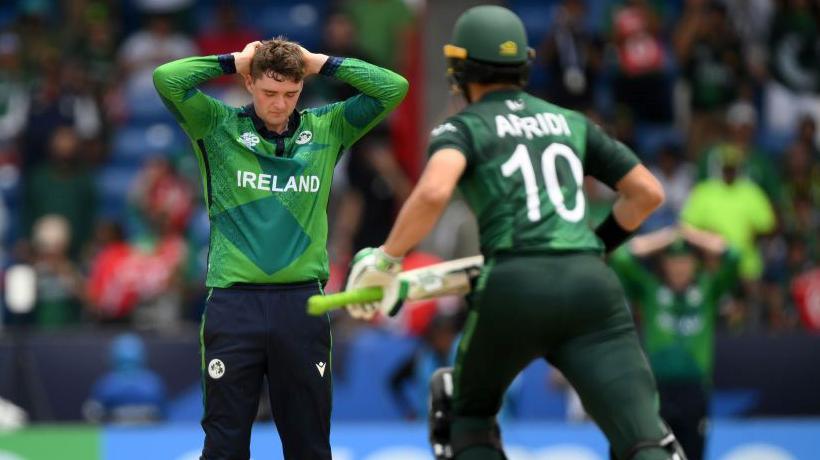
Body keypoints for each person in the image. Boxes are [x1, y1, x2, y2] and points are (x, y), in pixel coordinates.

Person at [343, 6, 683, 460]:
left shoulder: (462, 126)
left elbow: (432, 193)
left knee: (465, 415)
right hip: (590, 285)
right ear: (522, 63)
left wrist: (386, 258)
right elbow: (646, 193)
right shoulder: (571, 121)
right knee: (645, 436)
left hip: (515, 282)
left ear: (458, 68)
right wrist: (597, 247)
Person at [153, 36, 407, 459]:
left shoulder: (328, 127)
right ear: (250, 84)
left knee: (309, 447)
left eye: (291, 93)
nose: (279, 104)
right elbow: (167, 79)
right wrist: (234, 60)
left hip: (302, 305)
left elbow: (393, 87)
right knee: (224, 448)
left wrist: (319, 62)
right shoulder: (215, 125)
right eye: (269, 92)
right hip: (234, 304)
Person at [611, 226, 740, 460]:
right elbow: (621, 258)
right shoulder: (651, 289)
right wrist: (664, 238)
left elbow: (735, 256)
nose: (679, 267)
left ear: (695, 263)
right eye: (673, 261)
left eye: (685, 260)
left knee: (692, 454)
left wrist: (694, 236)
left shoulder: (707, 289)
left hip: (694, 390)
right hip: (657, 390)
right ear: (664, 264)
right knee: (651, 453)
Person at [83, 333, 168, 424]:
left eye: (130, 362)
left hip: (148, 434)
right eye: (125, 362)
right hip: (113, 434)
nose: (128, 368)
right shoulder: (106, 384)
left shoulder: (153, 382)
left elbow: (164, 414)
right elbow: (93, 414)